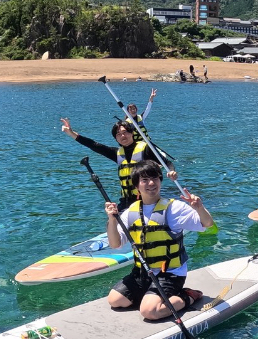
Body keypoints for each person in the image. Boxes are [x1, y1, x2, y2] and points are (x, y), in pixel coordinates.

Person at [104, 160, 213, 321]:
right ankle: (151, 294)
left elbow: (207, 223)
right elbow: (115, 244)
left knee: (150, 312)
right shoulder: (129, 213)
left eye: (155, 178)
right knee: (115, 300)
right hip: (142, 273)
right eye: (145, 180)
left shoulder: (174, 208)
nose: (151, 183)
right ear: (137, 186)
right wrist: (112, 219)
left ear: (161, 181)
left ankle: (186, 296)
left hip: (170, 273)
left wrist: (199, 208)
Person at [60, 112, 173, 210]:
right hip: (126, 201)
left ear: (132, 133)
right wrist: (71, 133)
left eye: (125, 132)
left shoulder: (146, 148)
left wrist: (171, 171)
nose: (122, 136)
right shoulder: (118, 154)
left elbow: (167, 163)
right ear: (116, 138)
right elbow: (94, 145)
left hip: (147, 199)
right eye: (118, 134)